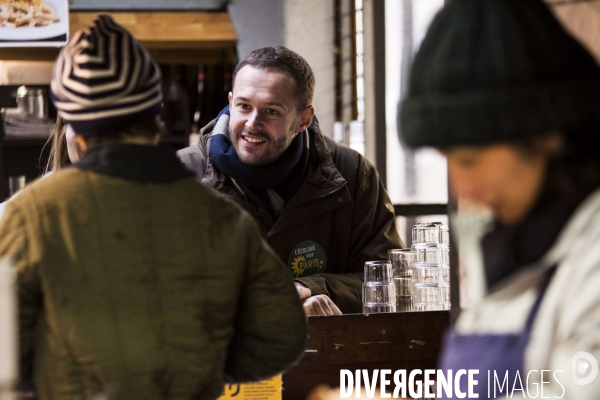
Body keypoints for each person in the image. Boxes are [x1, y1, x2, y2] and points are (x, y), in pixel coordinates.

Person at [0, 15, 306, 400]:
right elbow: (281, 339)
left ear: (75, 134)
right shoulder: (220, 217)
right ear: (152, 126)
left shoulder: (26, 217)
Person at [400, 0, 600, 398]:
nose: (462, 189)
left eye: (470, 160)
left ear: (546, 134)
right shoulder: (507, 239)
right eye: (449, 162)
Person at [178, 46, 403, 315]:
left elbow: (388, 280)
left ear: (303, 119)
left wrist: (310, 288)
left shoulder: (353, 174)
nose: (252, 123)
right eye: (243, 106)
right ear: (230, 101)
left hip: (331, 353)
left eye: (271, 111)